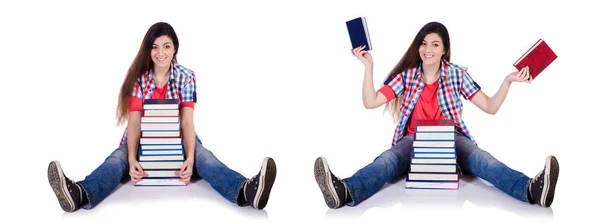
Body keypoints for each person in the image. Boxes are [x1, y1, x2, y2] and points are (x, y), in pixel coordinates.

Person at [313, 21, 559, 209]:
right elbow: (371, 101)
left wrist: (508, 81)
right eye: (424, 43)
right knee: (387, 161)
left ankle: (531, 189)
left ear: (444, 50)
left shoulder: (457, 75)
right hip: (412, 140)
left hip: (451, 139)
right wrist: (369, 67)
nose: (427, 49)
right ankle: (345, 191)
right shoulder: (407, 77)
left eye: (435, 44)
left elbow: (490, 107)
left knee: (483, 160)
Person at [47, 22, 277, 212]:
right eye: (155, 47)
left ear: (174, 49)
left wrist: (189, 157)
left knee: (204, 158)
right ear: (148, 50)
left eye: (166, 46)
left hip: (177, 139)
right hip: (142, 139)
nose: (160, 53)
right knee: (117, 161)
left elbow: (187, 121)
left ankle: (246, 190)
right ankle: (79, 193)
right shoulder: (139, 79)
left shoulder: (186, 77)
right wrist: (132, 158)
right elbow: (134, 122)